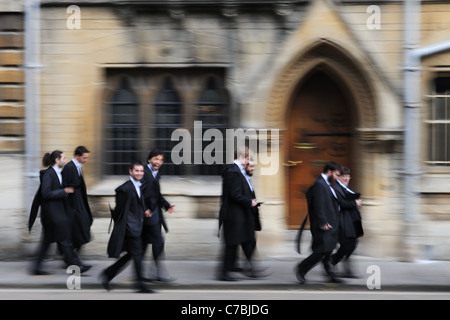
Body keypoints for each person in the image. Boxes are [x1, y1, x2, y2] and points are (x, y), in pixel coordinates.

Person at [30, 150, 91, 275]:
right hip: (52, 214)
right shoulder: (48, 174)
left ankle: (36, 267)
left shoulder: (59, 173)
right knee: (65, 239)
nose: (65, 160)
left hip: (56, 213)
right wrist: (64, 191)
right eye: (63, 158)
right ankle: (76, 266)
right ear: (57, 160)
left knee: (46, 242)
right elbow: (46, 194)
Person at [101, 161, 153, 293]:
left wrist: (144, 210)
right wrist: (129, 225)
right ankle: (141, 285)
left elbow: (136, 203)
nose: (140, 173)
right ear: (131, 171)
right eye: (137, 171)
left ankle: (108, 273)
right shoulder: (124, 189)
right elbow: (121, 211)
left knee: (131, 255)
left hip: (137, 225)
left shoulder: (138, 185)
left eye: (141, 171)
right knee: (137, 255)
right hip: (131, 228)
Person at [295, 161, 342, 284]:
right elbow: (318, 206)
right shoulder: (320, 185)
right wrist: (323, 222)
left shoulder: (327, 184)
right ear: (330, 172)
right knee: (321, 251)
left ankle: (330, 274)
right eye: (336, 175)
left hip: (330, 224)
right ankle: (302, 268)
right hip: (323, 225)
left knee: (328, 250)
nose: (337, 178)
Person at [218, 147, 261, 281]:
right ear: (242, 157)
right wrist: (250, 202)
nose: (249, 161)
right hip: (233, 215)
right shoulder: (233, 172)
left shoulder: (238, 171)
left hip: (238, 214)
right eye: (248, 158)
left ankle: (232, 267)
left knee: (236, 242)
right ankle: (224, 273)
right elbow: (235, 195)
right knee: (231, 244)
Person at [141, 148, 175, 282]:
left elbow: (156, 194)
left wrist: (167, 205)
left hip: (154, 213)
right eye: (156, 159)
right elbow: (139, 194)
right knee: (158, 242)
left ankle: (145, 274)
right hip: (148, 215)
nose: (158, 162)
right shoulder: (144, 173)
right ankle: (156, 273)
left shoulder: (155, 173)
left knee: (145, 245)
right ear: (149, 159)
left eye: (161, 160)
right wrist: (144, 209)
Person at [61, 146, 93, 267]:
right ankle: (72, 260)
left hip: (79, 205)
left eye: (87, 158)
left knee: (84, 230)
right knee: (81, 232)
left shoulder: (77, 167)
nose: (86, 160)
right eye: (84, 158)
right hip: (74, 208)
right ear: (77, 156)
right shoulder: (70, 167)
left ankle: (69, 257)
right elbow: (67, 188)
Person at [331, 166, 363, 278]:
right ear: (339, 177)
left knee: (353, 243)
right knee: (346, 244)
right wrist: (355, 203)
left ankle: (346, 270)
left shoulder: (346, 187)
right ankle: (333, 260)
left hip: (351, 220)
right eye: (344, 176)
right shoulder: (337, 188)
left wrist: (356, 202)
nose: (347, 178)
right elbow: (342, 203)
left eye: (348, 176)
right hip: (342, 220)